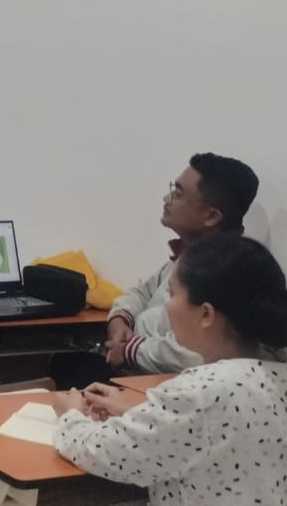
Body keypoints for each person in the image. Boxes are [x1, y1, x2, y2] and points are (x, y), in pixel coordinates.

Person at [52, 235, 287, 505]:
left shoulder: (201, 391)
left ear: (206, 314)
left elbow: (103, 453)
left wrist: (71, 415)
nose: (166, 306)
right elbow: (215, 431)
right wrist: (136, 413)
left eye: (172, 294)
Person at [54, 152, 260, 389]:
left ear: (211, 216)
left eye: (178, 193)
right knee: (65, 364)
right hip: (138, 365)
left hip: (165, 384)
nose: (166, 198)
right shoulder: (189, 255)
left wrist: (131, 351)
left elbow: (194, 353)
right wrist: (120, 320)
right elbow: (141, 292)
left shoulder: (227, 272)